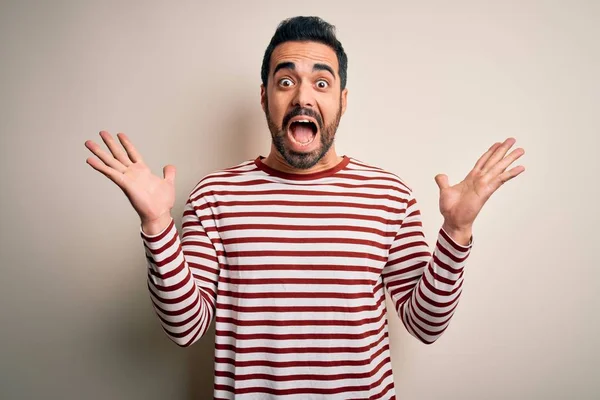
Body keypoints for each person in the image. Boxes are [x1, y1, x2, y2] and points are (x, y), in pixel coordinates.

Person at [84, 16, 525, 400]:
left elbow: (425, 325)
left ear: (342, 101)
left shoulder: (390, 195)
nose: (302, 97)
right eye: (285, 80)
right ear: (264, 97)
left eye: (321, 82)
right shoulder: (214, 195)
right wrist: (157, 224)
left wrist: (458, 231)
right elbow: (186, 328)